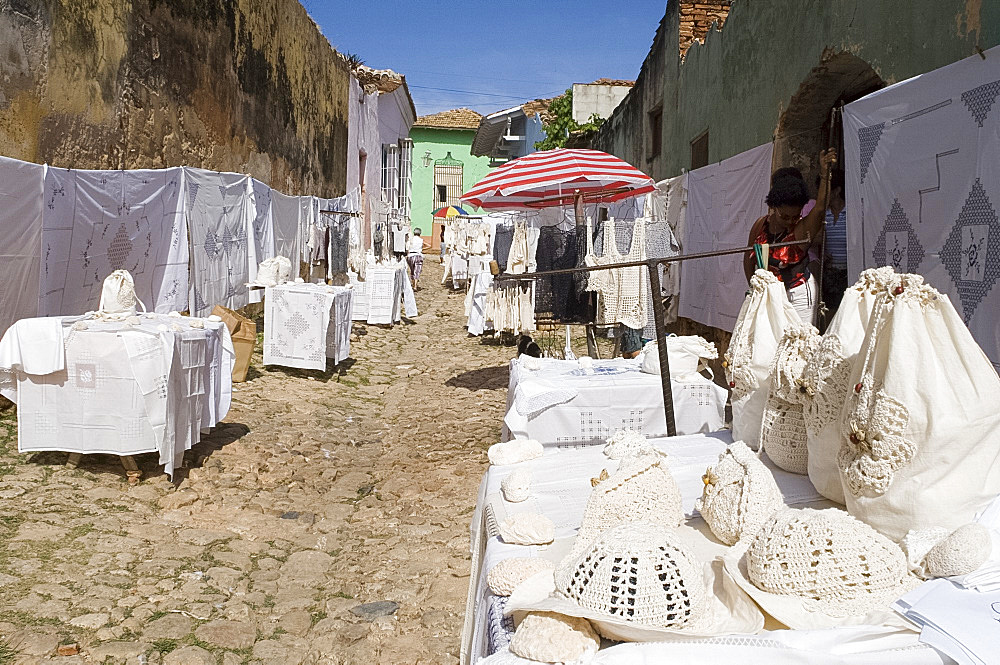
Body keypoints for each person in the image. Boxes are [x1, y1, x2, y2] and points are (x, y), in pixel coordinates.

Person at [744, 148, 837, 325]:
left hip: (798, 293)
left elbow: (819, 208)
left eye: (795, 216)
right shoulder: (760, 226)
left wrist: (825, 175)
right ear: (774, 207)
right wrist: (754, 287)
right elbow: (748, 259)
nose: (790, 221)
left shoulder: (801, 229)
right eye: (785, 217)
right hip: (769, 294)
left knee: (797, 343)